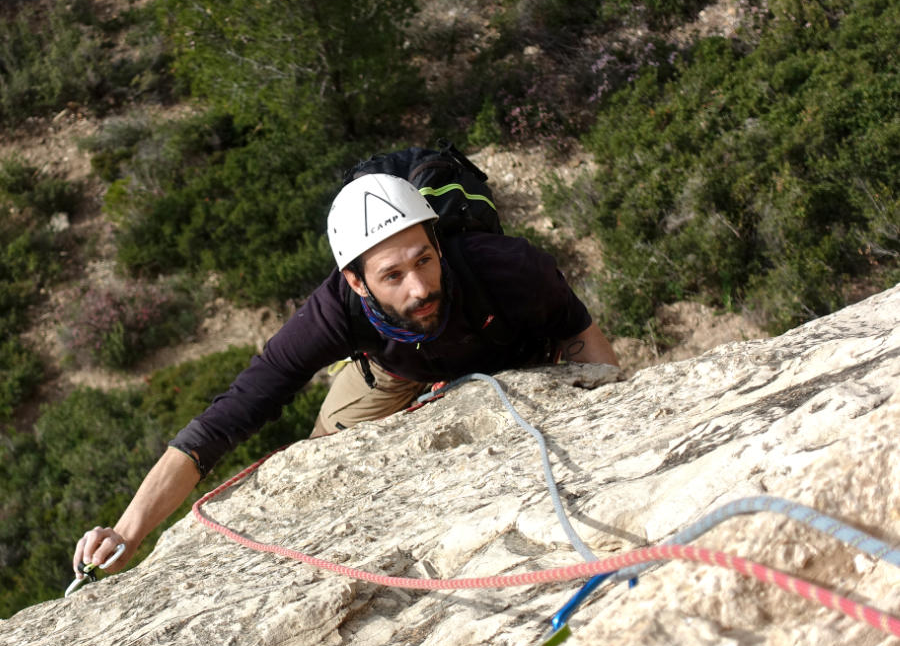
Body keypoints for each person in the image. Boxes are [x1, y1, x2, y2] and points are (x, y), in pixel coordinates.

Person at [73, 173, 619, 577]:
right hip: (396, 367)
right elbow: (226, 420)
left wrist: (612, 416)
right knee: (325, 452)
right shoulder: (334, 312)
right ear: (356, 283)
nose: (419, 288)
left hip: (508, 351)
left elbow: (582, 336)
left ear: (436, 242)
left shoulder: (507, 266)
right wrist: (126, 533)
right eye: (393, 275)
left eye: (424, 260)